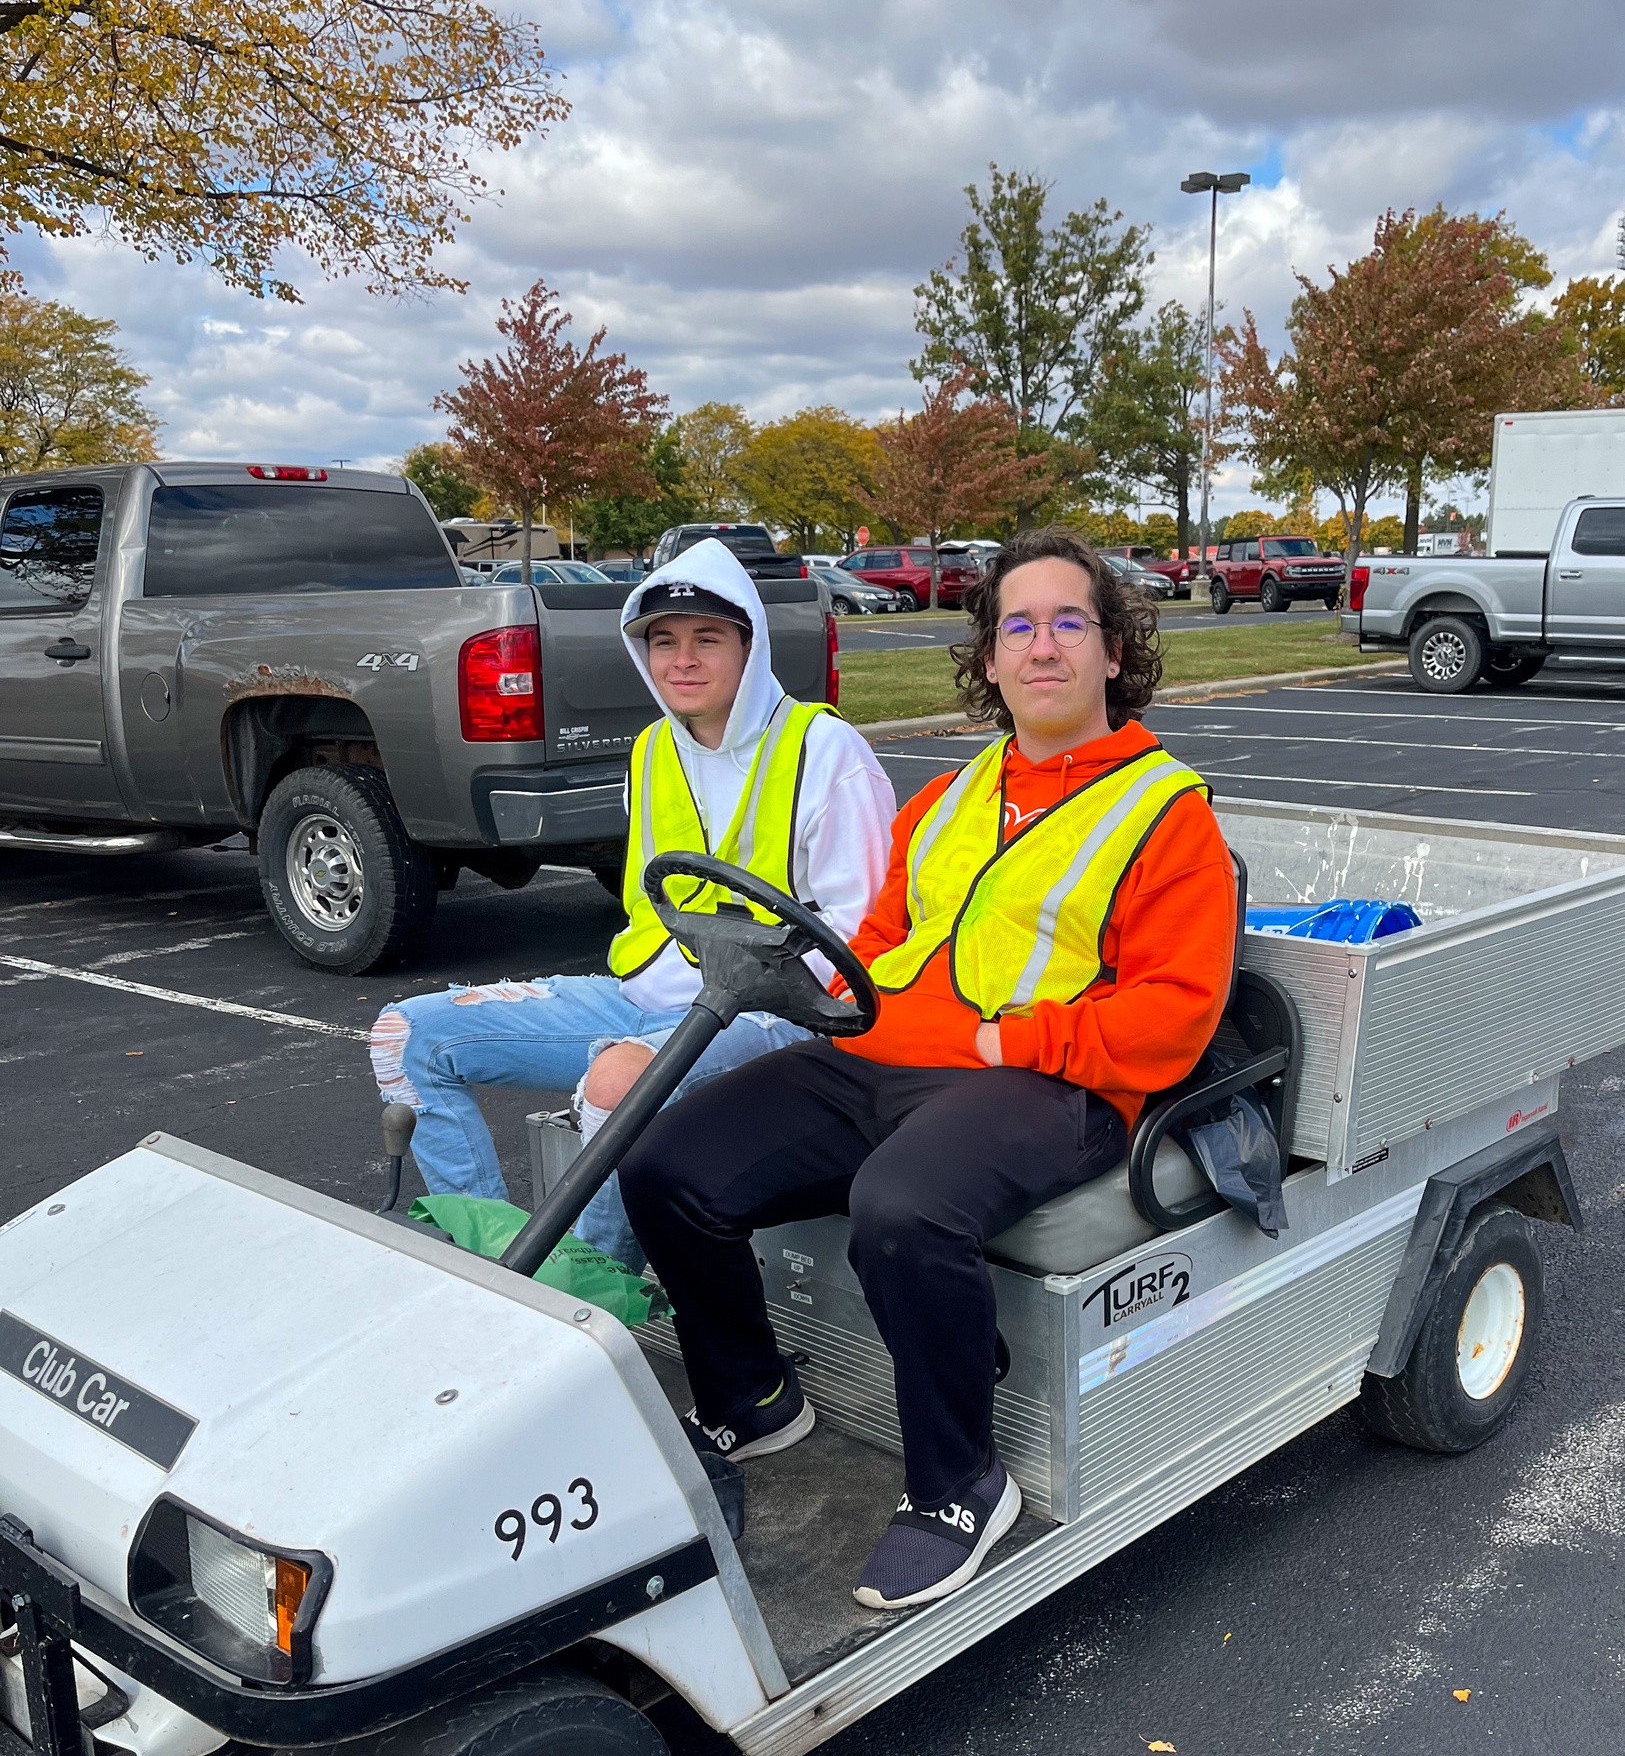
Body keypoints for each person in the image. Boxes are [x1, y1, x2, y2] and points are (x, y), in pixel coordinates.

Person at [619, 526, 1241, 1609]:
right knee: (665, 1162)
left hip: (1054, 1084)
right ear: (989, 659)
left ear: (1112, 652)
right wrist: (829, 1007)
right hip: (887, 1060)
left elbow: (1172, 1020)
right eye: (1018, 626)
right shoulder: (948, 799)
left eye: (1069, 623)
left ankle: (961, 1485)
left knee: (901, 1205)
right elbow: (881, 940)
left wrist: (1013, 1041)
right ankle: (752, 1398)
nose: (1042, 645)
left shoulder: (1165, 813)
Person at [369, 537, 895, 1268]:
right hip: (643, 998)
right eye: (664, 641)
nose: (683, 660)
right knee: (407, 1037)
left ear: (750, 646)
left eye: (707, 638)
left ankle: (589, 1290)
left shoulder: (826, 750)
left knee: (616, 1082)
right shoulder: (651, 750)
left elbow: (862, 930)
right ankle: (486, 1259)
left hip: (773, 1018)